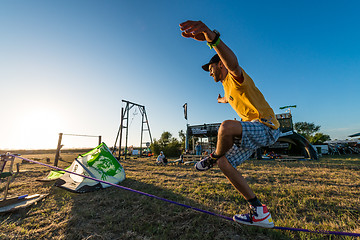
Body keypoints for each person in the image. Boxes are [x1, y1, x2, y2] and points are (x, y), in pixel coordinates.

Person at [179, 20, 280, 228]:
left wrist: (212, 38)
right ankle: (258, 211)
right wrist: (220, 100)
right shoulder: (226, 88)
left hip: (267, 127)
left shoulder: (235, 76)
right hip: (254, 132)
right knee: (225, 163)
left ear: (220, 65)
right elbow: (228, 98)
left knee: (225, 127)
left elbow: (233, 62)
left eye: (211, 68)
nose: (209, 73)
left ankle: (212, 157)